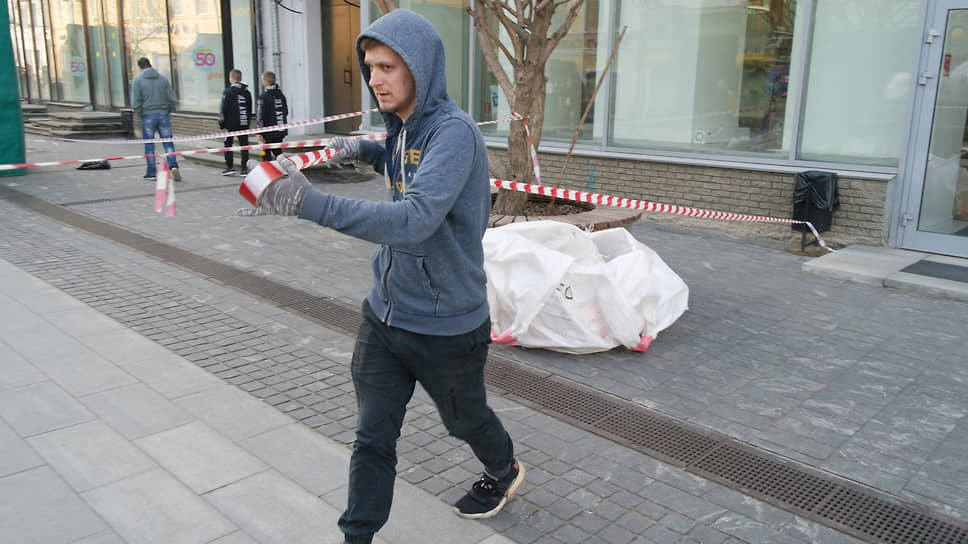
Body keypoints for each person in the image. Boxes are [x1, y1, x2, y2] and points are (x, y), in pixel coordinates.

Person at [236, 9, 523, 544]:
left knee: (463, 420)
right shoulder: (404, 128)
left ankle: (503, 468)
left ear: (421, 67)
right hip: (385, 315)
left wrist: (305, 202)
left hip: (446, 326)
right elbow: (401, 160)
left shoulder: (454, 134)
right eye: (370, 67)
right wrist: (362, 149)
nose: (376, 79)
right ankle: (357, 536)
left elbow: (413, 220)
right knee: (372, 438)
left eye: (389, 66)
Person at [131, 57, 180, 182]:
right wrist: (168, 110)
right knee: (168, 142)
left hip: (147, 115)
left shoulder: (138, 80)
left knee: (149, 145)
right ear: (150, 65)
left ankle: (152, 172)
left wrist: (141, 114)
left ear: (140, 67)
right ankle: (173, 165)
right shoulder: (163, 79)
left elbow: (135, 102)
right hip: (163, 114)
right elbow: (173, 99)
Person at [218, 69, 252, 175]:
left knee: (228, 144)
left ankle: (229, 167)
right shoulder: (247, 92)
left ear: (231, 79)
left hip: (230, 124)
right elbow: (249, 108)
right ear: (240, 78)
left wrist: (221, 123)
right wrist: (247, 122)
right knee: (244, 146)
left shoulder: (228, 91)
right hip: (243, 122)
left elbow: (223, 108)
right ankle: (244, 169)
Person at [256, 71, 288, 161]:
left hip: (267, 131)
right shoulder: (281, 95)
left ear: (265, 81)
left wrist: (259, 132)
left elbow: (260, 115)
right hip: (280, 129)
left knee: (266, 152)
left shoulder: (264, 96)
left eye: (262, 80)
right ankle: (285, 168)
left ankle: (268, 172)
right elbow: (285, 111)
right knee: (278, 151)